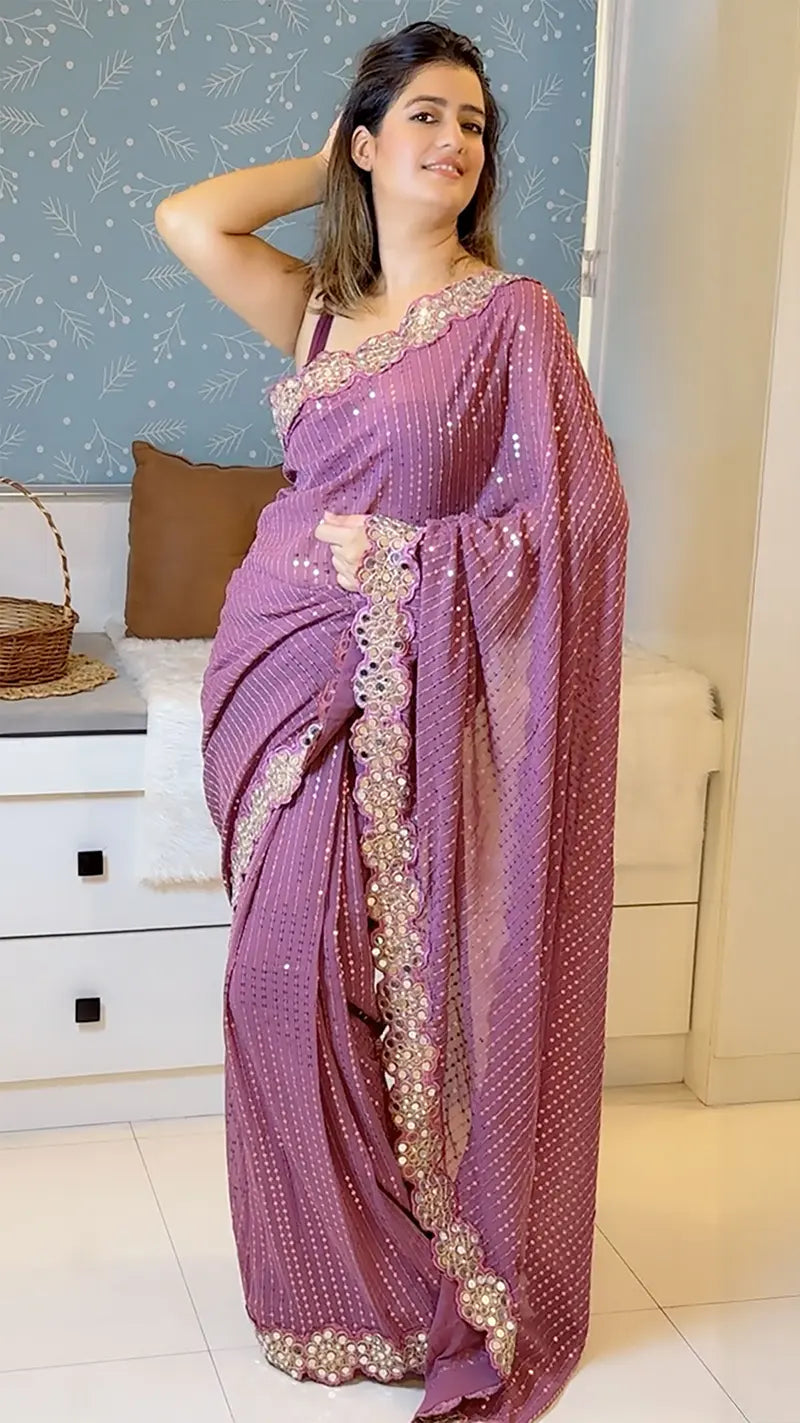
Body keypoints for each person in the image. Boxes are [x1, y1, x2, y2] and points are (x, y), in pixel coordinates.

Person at [156, 20, 629, 1423]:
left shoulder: (510, 319)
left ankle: (412, 1276)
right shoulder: (316, 309)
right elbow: (189, 217)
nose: (455, 141)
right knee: (276, 981)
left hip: (407, 687)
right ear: (366, 141)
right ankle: (326, 1286)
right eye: (424, 115)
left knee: (357, 980)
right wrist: (334, 163)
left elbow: (578, 522)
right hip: (275, 673)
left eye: (473, 124)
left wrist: (412, 560)